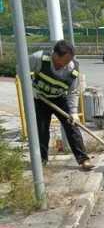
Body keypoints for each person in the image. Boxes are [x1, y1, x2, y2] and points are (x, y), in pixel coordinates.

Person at [29, 40, 94, 171]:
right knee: (41, 130)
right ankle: (42, 161)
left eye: (68, 61)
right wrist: (30, 89)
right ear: (55, 54)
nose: (64, 65)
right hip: (40, 98)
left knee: (72, 126)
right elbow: (21, 68)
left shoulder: (72, 68)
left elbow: (73, 91)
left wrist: (74, 112)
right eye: (63, 61)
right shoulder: (38, 58)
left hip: (60, 98)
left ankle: (83, 159)